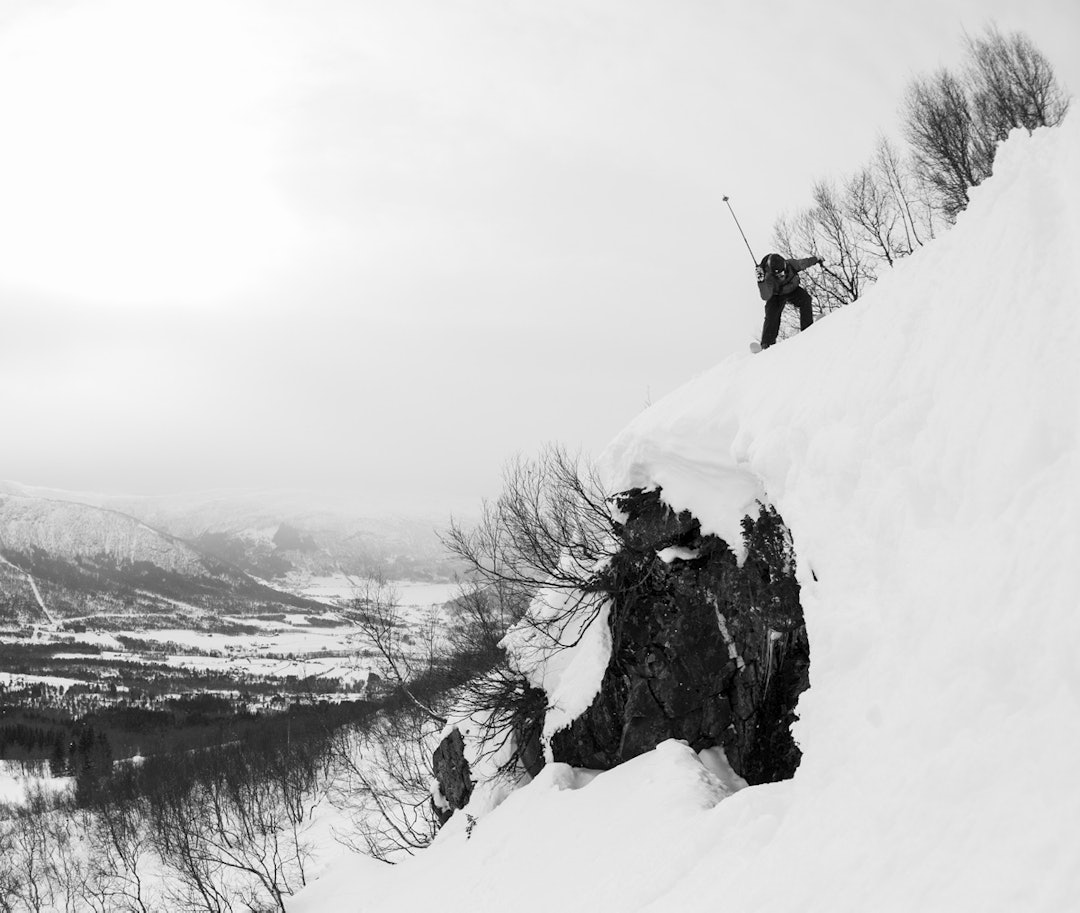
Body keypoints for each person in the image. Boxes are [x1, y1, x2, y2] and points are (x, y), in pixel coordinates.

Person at [755, 252, 823, 349]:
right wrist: (761, 282)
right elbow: (765, 296)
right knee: (772, 316)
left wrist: (816, 259)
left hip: (792, 289)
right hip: (776, 295)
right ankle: (767, 344)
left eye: (782, 272)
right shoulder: (768, 277)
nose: (781, 276)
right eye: (777, 275)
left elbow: (805, 262)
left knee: (805, 299)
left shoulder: (791, 264)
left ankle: (807, 329)